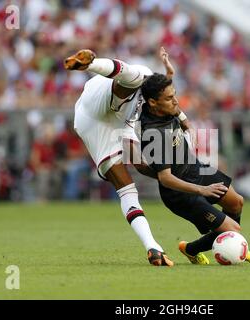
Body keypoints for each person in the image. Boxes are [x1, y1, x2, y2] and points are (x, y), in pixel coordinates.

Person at [64, 48, 190, 266]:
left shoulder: (154, 96)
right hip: (92, 118)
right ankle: (152, 245)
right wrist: (92, 64)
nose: (172, 101)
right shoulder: (138, 77)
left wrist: (169, 176)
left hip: (121, 120)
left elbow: (167, 95)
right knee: (125, 186)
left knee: (134, 178)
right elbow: (119, 68)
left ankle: (153, 248)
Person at [139, 73, 250, 264]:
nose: (175, 101)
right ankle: (234, 248)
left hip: (196, 169)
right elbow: (165, 178)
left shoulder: (164, 107)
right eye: (169, 98)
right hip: (179, 193)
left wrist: (186, 124)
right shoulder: (154, 134)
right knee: (233, 230)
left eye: (175, 95)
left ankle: (191, 249)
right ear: (153, 102)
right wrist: (202, 190)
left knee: (236, 202)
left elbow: (175, 109)